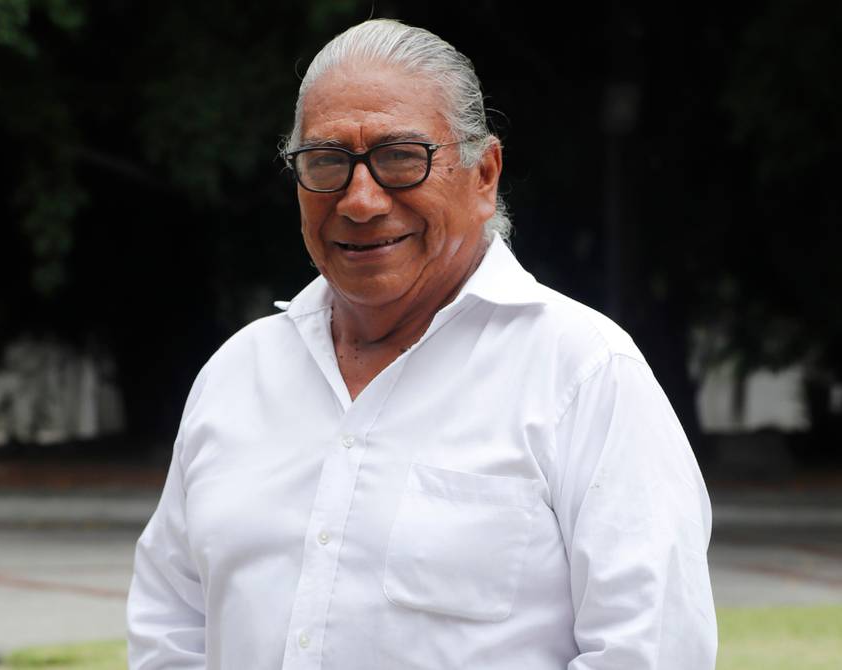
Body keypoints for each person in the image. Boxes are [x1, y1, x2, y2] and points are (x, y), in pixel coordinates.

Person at [127, 18, 717, 670]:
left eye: (401, 157)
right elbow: (169, 632)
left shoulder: (584, 374)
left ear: (484, 174)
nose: (360, 200)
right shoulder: (238, 375)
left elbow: (652, 650)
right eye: (326, 162)